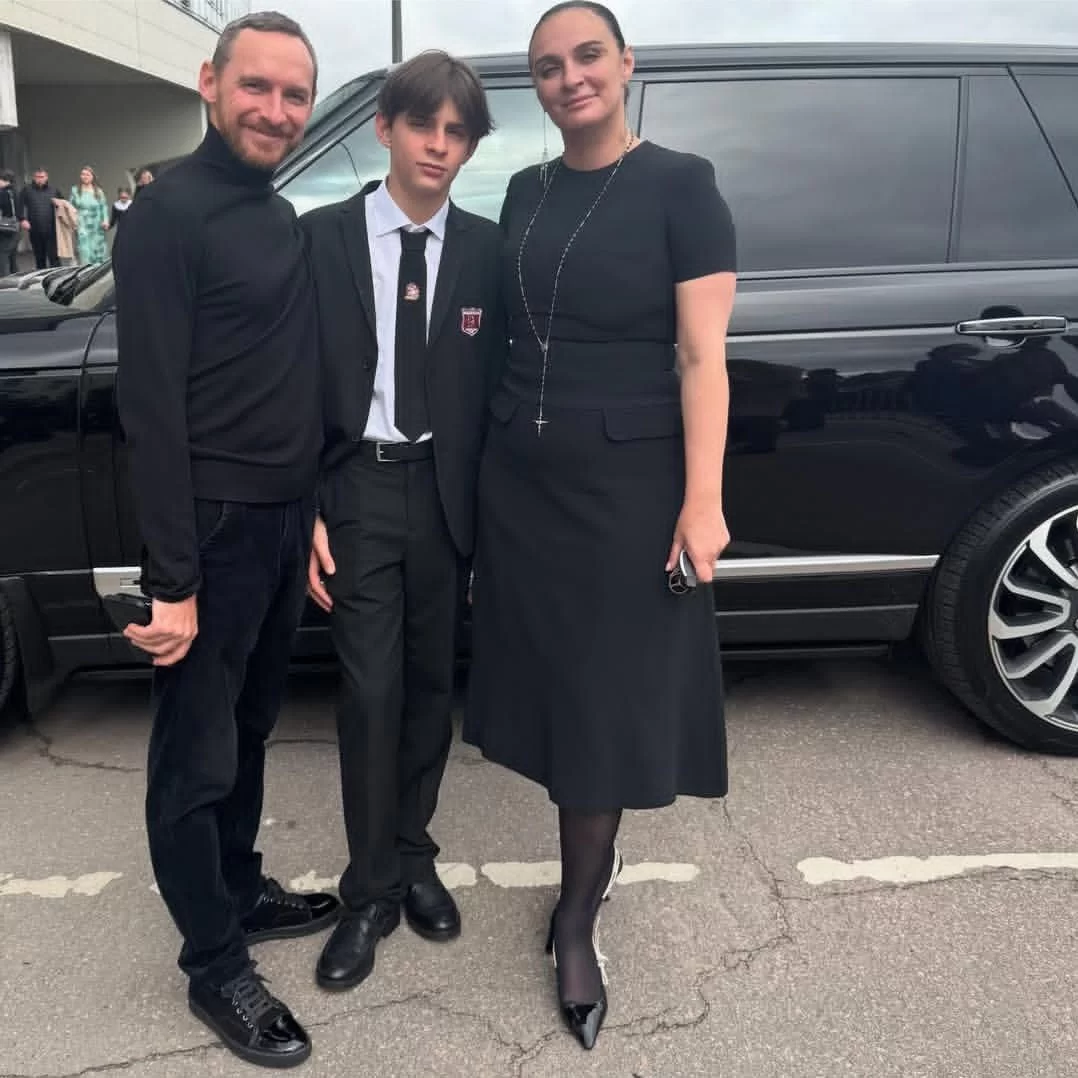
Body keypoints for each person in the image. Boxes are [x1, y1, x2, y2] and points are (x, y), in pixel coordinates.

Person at [463, 1, 737, 1051]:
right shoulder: (525, 190)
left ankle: (575, 920)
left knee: (598, 707)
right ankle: (588, 873)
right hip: (520, 487)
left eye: (587, 57)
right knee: (547, 692)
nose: (569, 77)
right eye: (547, 66)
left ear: (625, 64)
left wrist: (702, 500)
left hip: (626, 493)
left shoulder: (681, 184)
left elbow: (701, 356)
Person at [112, 12, 337, 1069]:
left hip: (283, 523)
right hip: (213, 530)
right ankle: (214, 964)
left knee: (249, 729)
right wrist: (173, 578)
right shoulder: (167, 215)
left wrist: (312, 506)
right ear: (210, 82)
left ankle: (239, 890)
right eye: (258, 87)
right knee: (194, 759)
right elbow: (151, 408)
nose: (276, 111)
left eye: (295, 95)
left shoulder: (278, 212)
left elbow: (282, 379)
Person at [301, 51, 503, 992]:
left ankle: (414, 854)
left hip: (446, 494)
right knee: (368, 691)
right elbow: (291, 383)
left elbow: (499, 390)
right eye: (423, 124)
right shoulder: (322, 238)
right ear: (384, 128)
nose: (438, 145)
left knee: (429, 685)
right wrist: (308, 503)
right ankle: (369, 890)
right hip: (359, 488)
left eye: (457, 132)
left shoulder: (486, 251)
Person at [17, 167, 62, 269]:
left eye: (42, 177)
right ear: (34, 178)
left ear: (46, 177)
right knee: (39, 256)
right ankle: (41, 275)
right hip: (35, 228)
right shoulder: (27, 190)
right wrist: (22, 219)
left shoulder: (54, 190)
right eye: (37, 177)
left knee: (54, 256)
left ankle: (57, 275)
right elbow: (19, 205)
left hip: (51, 229)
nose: (40, 179)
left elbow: (63, 205)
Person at [69, 166, 110, 264]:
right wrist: (73, 221)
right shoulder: (75, 190)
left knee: (97, 248)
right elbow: (70, 207)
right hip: (82, 223)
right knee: (84, 249)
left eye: (87, 174)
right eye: (83, 174)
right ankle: (86, 269)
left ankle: (98, 270)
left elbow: (103, 206)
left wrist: (105, 220)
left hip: (97, 224)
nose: (85, 176)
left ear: (92, 177)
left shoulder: (98, 191)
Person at [0, 170, 19, 275]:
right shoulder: (15, 192)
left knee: (3, 255)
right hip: (14, 227)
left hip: (4, 228)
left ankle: (4, 279)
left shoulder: (2, 193)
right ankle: (15, 277)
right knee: (12, 256)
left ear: (5, 180)